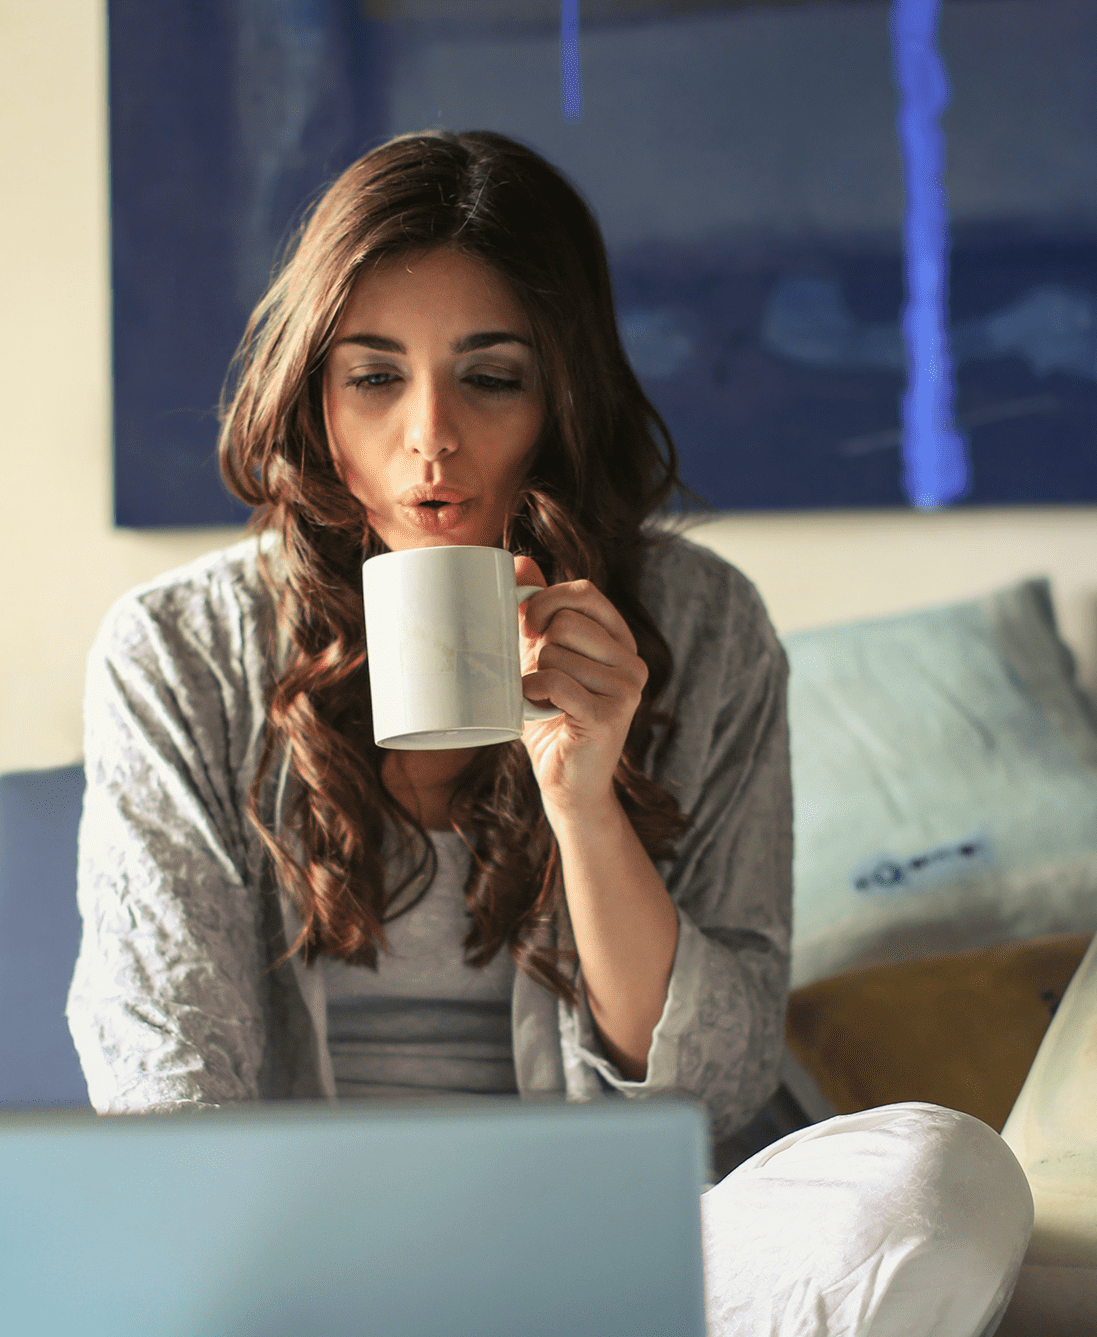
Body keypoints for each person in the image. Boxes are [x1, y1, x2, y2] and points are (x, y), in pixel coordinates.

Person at [65, 130, 1030, 1336]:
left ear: (559, 394)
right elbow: (166, 1088)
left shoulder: (704, 626)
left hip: (617, 1260)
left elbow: (714, 1086)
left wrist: (586, 798)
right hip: (291, 1267)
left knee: (938, 1181)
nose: (432, 437)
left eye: (491, 376)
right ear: (314, 397)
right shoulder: (180, 650)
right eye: (376, 376)